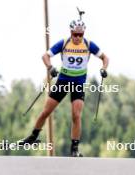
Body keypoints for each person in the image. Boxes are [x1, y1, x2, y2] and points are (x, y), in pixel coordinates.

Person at [20, 19, 109, 157]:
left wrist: (103, 68)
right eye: (75, 34)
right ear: (71, 32)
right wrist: (50, 68)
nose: (78, 37)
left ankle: (74, 148)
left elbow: (105, 58)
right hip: (63, 81)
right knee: (46, 112)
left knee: (76, 115)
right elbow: (45, 56)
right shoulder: (64, 42)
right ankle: (32, 137)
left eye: (81, 34)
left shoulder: (89, 44)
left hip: (78, 83)